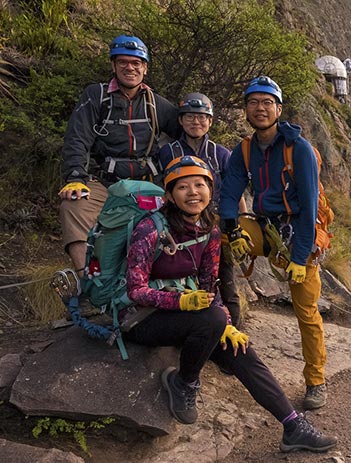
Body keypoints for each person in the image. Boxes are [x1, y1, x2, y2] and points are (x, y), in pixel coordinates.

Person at [123, 155, 337, 452]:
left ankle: (293, 425)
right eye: (183, 187)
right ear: (169, 195)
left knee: (240, 348)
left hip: (190, 316)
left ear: (211, 190)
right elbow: (135, 290)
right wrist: (182, 302)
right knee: (212, 320)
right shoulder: (149, 230)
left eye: (200, 184)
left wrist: (225, 320)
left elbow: (210, 285)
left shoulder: (209, 231)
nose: (193, 192)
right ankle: (184, 383)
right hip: (141, 320)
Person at [218, 76, 329, 409]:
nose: (260, 108)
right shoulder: (246, 150)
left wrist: (299, 256)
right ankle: (219, 325)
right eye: (254, 102)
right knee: (217, 239)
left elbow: (309, 209)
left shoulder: (301, 150)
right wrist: (233, 231)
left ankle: (316, 380)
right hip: (265, 228)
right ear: (246, 110)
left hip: (297, 234)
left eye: (268, 102)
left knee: (306, 310)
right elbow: (229, 194)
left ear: (279, 109)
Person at [58, 34, 179, 279]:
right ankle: (89, 284)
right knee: (73, 207)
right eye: (122, 62)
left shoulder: (157, 104)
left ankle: (158, 284)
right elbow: (77, 138)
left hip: (146, 185)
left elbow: (185, 135)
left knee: (174, 220)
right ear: (113, 65)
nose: (129, 67)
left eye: (136, 63)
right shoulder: (96, 96)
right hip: (106, 183)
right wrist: (75, 177)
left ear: (145, 68)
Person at [157, 92, 246, 327]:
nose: (196, 122)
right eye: (190, 117)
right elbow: (159, 189)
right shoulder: (168, 152)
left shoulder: (221, 154)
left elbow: (235, 192)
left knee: (225, 278)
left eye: (202, 117)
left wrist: (242, 223)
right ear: (180, 120)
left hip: (215, 222)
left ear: (210, 121)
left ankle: (232, 331)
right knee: (182, 275)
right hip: (178, 223)